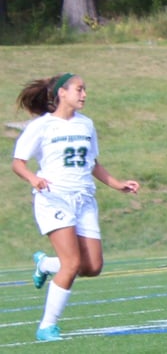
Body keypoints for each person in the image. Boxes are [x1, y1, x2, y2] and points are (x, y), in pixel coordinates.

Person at [11, 73, 140, 342]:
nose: (84, 94)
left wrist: (117, 184)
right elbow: (18, 163)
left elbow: (92, 163)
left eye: (85, 90)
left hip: (84, 201)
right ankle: (47, 326)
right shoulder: (41, 126)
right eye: (79, 89)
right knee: (71, 264)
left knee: (92, 267)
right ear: (62, 93)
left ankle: (45, 264)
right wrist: (34, 178)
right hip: (55, 199)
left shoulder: (86, 125)